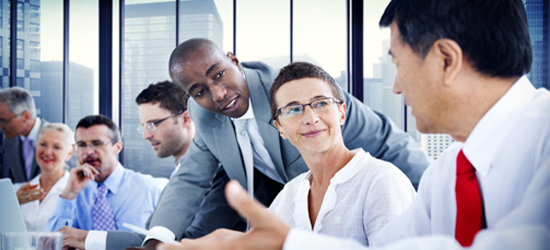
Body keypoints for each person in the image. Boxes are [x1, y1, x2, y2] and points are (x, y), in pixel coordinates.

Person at [158, 0, 550, 249]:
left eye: (397, 63)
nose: (395, 86)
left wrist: (291, 244)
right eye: (293, 111)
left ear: (446, 60)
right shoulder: (447, 175)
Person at [139, 37, 431, 249]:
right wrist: (158, 239)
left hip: (367, 190)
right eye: (200, 91)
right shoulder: (204, 115)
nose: (217, 94)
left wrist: (435, 203)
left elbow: (385, 140)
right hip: (298, 203)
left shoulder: (297, 91)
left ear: (234, 60)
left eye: (219, 74)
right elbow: (190, 180)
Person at [44, 115, 168, 250]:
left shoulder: (152, 189)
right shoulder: (73, 192)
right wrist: (69, 194)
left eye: (97, 143)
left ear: (118, 147)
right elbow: (49, 244)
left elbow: (166, 242)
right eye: (81, 145)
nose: (88, 152)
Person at [13, 123, 74, 232]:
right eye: (43, 144)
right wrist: (12, 203)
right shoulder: (17, 191)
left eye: (57, 147)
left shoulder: (77, 193)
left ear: (70, 153)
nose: (47, 152)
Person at [0, 87, 48, 183]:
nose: (1, 127)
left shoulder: (59, 138)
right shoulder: (9, 142)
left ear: (26, 116)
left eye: (4, 121)